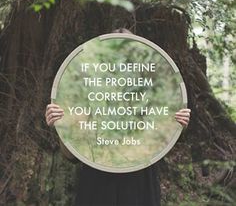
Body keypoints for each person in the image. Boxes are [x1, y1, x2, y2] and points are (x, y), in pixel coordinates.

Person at [45, 29, 191, 206]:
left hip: (140, 186)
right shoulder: (88, 95)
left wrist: (178, 125)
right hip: (97, 186)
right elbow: (71, 155)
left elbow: (160, 144)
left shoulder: (152, 96)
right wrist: (61, 126)